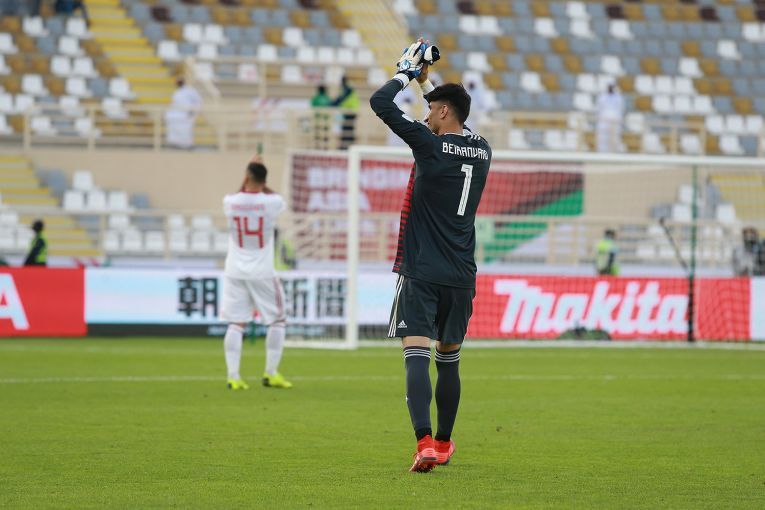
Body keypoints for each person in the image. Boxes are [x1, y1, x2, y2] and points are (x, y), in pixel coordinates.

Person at [370, 40, 492, 473]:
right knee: (450, 358)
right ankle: (443, 444)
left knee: (416, 354)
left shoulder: (429, 146)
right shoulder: (482, 149)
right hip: (461, 273)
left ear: (442, 113)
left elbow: (380, 103)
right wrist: (428, 83)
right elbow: (452, 118)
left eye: (430, 111)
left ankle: (423, 442)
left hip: (422, 269)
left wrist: (405, 73)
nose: (424, 117)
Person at [220, 155, 292, 390]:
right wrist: (260, 180)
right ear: (264, 180)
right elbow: (272, 196)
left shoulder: (230, 201)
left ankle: (233, 376)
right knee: (278, 320)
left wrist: (248, 174)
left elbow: (242, 193)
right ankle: (270, 373)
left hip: (234, 270)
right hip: (262, 271)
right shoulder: (272, 202)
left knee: (236, 323)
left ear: (246, 177)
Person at [164, 77, 202, 150]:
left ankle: (188, 145)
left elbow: (198, 101)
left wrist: (193, 110)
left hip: (186, 114)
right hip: (176, 114)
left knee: (185, 130)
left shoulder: (190, 90)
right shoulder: (177, 92)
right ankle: (176, 144)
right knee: (173, 125)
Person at [332, 75, 359, 149]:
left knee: (348, 129)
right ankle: (346, 146)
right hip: (347, 111)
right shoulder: (346, 88)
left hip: (351, 111)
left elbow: (340, 99)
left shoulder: (348, 88)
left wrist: (331, 104)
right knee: (346, 129)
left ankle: (347, 146)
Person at [596, 83, 624, 153]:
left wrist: (618, 119)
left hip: (615, 119)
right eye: (609, 87)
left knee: (615, 137)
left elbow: (620, 108)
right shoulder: (602, 97)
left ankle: (614, 152)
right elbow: (599, 108)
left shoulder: (618, 97)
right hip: (604, 120)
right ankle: (601, 152)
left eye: (612, 87)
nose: (610, 89)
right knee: (602, 137)